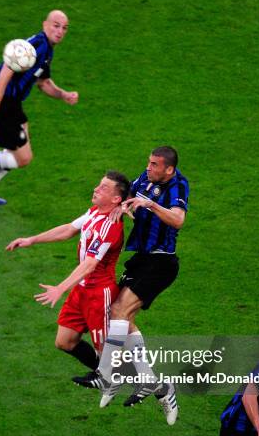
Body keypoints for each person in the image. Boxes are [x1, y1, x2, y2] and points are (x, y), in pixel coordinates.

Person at [75, 145, 189, 416]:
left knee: (118, 312)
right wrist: (121, 206)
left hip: (161, 261)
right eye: (149, 163)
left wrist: (150, 204)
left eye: (154, 165)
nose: (148, 168)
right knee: (124, 320)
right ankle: (158, 386)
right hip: (141, 259)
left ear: (168, 169)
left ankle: (106, 374)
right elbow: (127, 195)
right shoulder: (146, 178)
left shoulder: (178, 186)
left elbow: (178, 220)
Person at [0, 10, 78, 205]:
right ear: (45, 24)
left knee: (16, 150)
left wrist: (63, 95)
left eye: (64, 28)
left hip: (12, 103)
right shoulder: (38, 44)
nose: (60, 31)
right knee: (23, 158)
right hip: (2, 101)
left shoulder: (46, 49)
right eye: (56, 25)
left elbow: (43, 83)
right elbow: (8, 66)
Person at [6, 171, 130, 369]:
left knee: (108, 353)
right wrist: (32, 239)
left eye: (103, 188)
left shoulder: (110, 226)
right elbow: (68, 229)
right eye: (99, 185)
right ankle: (104, 374)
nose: (96, 189)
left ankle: (153, 386)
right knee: (64, 341)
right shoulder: (94, 212)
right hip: (82, 289)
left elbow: (90, 264)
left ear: (116, 198)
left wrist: (60, 288)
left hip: (99, 294)